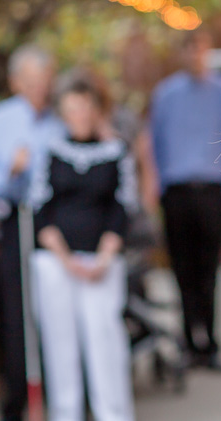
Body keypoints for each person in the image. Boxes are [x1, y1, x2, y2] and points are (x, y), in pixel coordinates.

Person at [27, 71, 136, 421]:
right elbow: (40, 209)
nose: (79, 115)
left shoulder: (116, 150)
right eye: (71, 108)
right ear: (62, 112)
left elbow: (123, 206)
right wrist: (65, 259)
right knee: (61, 346)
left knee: (105, 343)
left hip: (102, 262)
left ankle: (113, 414)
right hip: (56, 262)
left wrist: (103, 257)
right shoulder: (50, 151)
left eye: (85, 107)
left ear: (96, 110)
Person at [0, 45, 64, 421]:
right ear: (16, 83)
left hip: (55, 222)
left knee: (54, 309)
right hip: (16, 223)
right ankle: (17, 401)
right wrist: (11, 171)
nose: (41, 88)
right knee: (16, 314)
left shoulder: (61, 119)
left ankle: (61, 396)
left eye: (46, 80)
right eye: (33, 81)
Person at [149, 30, 221, 370]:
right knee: (181, 270)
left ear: (207, 50)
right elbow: (155, 145)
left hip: (212, 191)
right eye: (189, 48)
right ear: (181, 52)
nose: (195, 54)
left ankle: (209, 341)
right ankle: (189, 341)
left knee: (209, 270)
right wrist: (159, 189)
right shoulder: (165, 94)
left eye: (200, 48)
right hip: (176, 193)